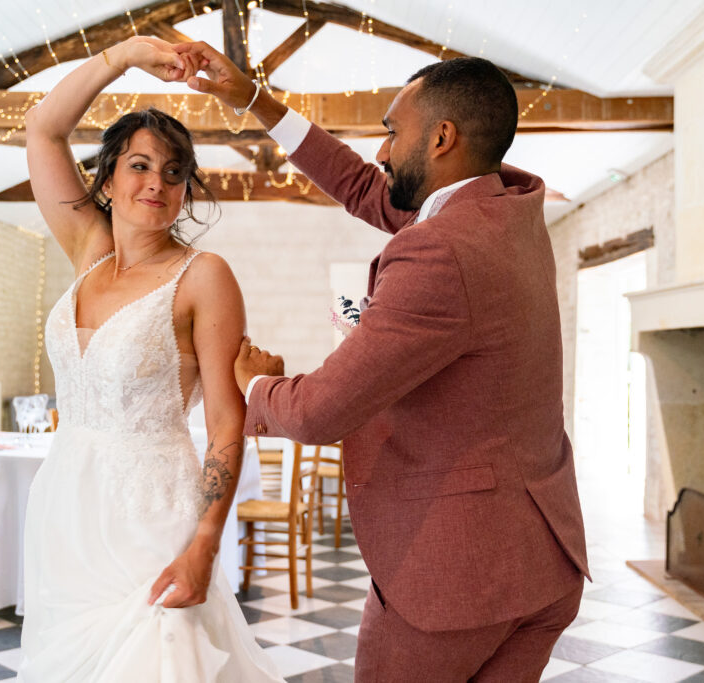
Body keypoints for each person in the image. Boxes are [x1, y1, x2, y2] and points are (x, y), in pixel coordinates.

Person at [178, 42, 590, 681]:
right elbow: (362, 186)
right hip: (541, 559)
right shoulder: (508, 209)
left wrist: (255, 381)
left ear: (442, 138)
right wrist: (251, 98)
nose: (381, 150)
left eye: (393, 133)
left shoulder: (441, 253)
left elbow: (318, 412)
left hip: (459, 578)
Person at [17, 36, 282, 682]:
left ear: (187, 189)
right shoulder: (88, 250)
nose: (156, 183)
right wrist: (127, 55)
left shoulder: (203, 276)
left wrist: (204, 544)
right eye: (138, 165)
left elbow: (226, 421)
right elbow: (43, 128)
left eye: (173, 171)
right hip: (66, 508)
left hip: (154, 512)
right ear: (106, 179)